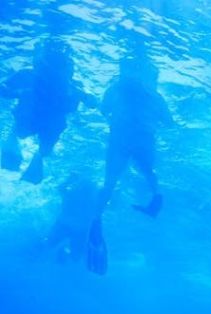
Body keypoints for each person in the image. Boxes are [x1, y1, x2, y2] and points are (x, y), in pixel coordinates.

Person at [88, 51, 172, 275]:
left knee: (109, 182)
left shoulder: (115, 88)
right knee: (149, 171)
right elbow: (168, 121)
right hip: (144, 137)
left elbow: (104, 110)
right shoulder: (155, 96)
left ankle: (96, 220)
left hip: (120, 137)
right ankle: (156, 197)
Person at [0, 38, 92, 184]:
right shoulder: (29, 75)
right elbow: (3, 89)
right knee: (25, 134)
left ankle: (34, 157)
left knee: (40, 142)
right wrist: (20, 92)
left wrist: (18, 92)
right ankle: (27, 153)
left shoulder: (68, 82)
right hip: (36, 117)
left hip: (48, 120)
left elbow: (90, 100)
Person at [43, 173, 103, 272]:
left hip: (67, 225)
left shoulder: (72, 194)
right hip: (74, 228)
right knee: (75, 256)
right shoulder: (90, 198)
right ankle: (63, 251)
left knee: (49, 244)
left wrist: (69, 179)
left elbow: (60, 188)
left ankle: (62, 251)